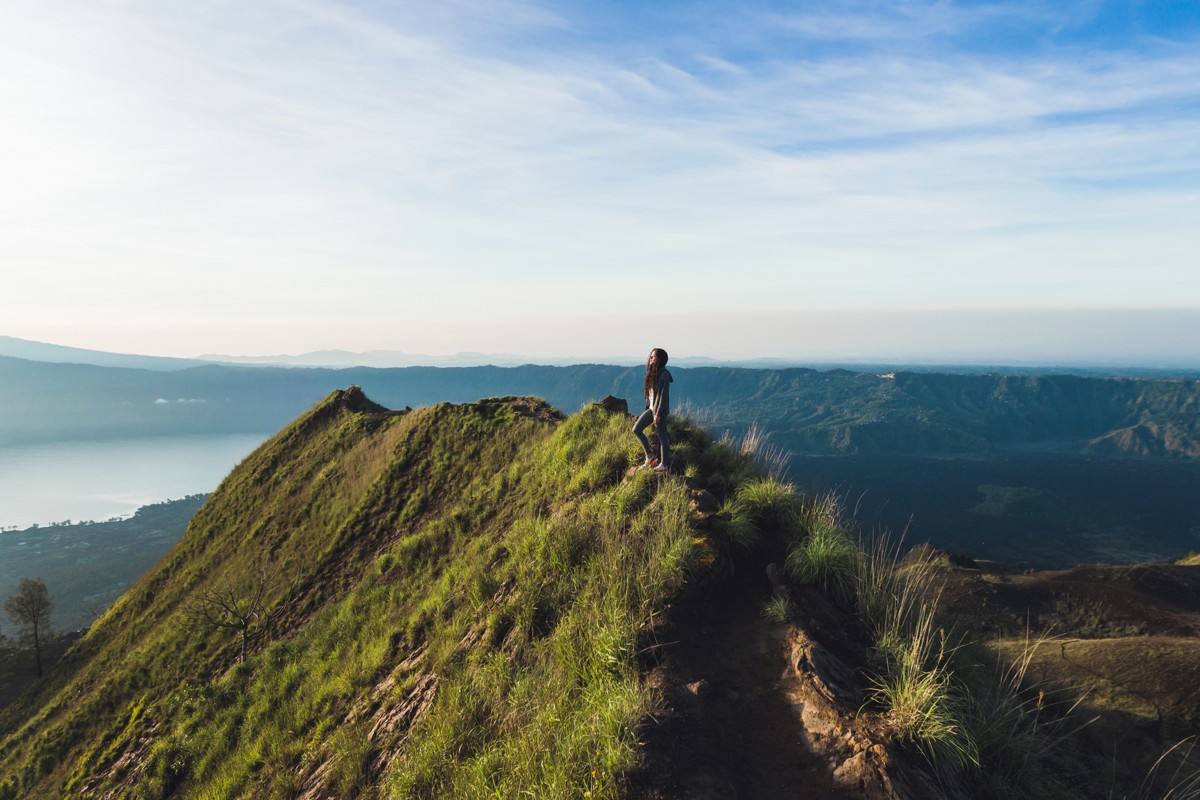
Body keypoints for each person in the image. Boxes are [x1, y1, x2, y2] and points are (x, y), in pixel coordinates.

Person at [633, 347, 673, 474]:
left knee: (662, 438)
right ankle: (650, 457)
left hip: (659, 411)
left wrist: (657, 414)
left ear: (660, 359)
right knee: (636, 429)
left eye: (653, 357)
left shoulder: (664, 374)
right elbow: (651, 397)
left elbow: (663, 395)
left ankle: (664, 465)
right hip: (651, 409)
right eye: (650, 356)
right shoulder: (653, 373)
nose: (651, 359)